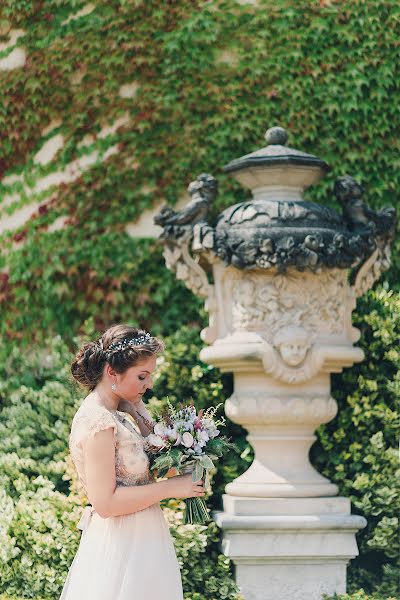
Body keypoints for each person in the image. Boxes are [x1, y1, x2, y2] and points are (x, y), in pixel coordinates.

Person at [60, 324, 205, 600]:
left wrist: (140, 412)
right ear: (112, 372)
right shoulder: (97, 421)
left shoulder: (123, 411)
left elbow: (168, 464)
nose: (149, 385)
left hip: (147, 541)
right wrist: (171, 488)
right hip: (120, 548)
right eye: (142, 376)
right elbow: (105, 503)